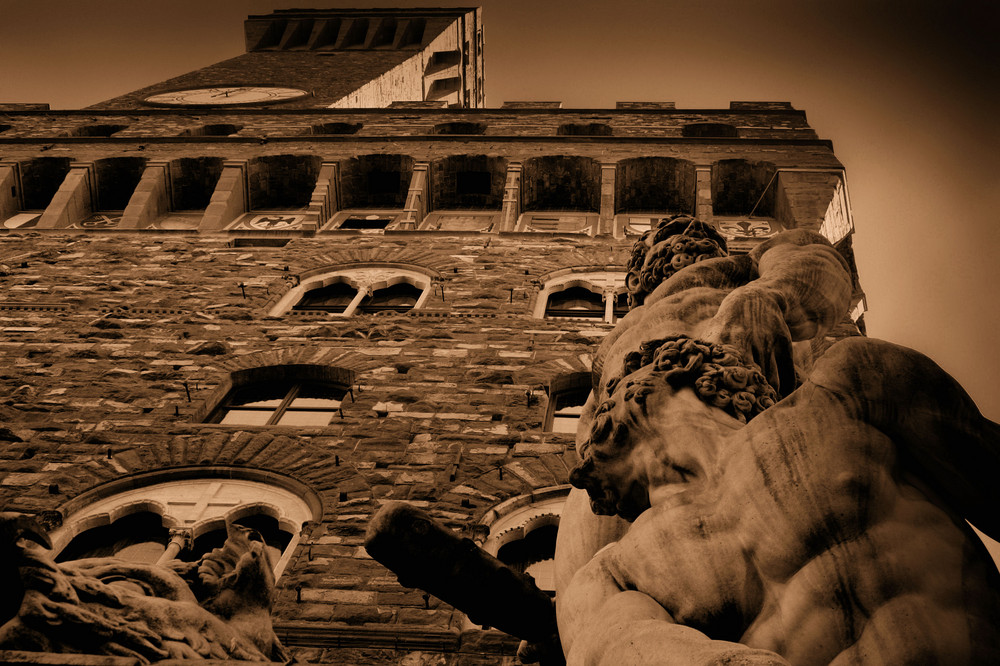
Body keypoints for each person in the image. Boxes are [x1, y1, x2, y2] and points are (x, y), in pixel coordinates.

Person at [554, 216, 1000, 664]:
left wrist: (764, 297)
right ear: (636, 274)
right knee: (592, 606)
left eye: (693, 236)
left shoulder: (748, 278)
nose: (678, 242)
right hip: (651, 460)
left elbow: (817, 263)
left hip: (741, 385)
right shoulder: (613, 350)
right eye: (661, 240)